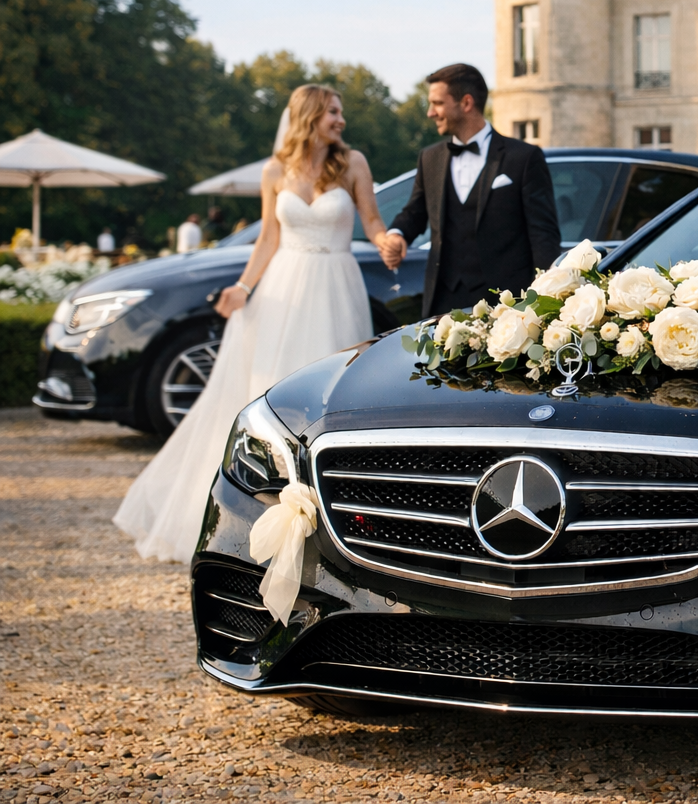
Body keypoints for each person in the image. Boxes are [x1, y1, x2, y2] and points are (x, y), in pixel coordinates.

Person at [115, 84, 394, 563]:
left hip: (336, 285)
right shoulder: (274, 171)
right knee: (274, 391)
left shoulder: (354, 164)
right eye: (332, 112)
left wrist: (387, 239)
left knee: (331, 398)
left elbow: (370, 220)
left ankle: (325, 519)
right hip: (285, 292)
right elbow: (268, 237)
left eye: (340, 112)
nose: (340, 120)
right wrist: (243, 288)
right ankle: (260, 515)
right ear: (308, 116)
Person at [379, 63, 561, 316]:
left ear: (466, 103)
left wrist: (545, 303)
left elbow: (543, 236)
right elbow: (415, 212)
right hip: (442, 303)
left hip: (507, 306)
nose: (431, 112)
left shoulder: (523, 158)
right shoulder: (430, 158)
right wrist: (398, 234)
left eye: (438, 103)